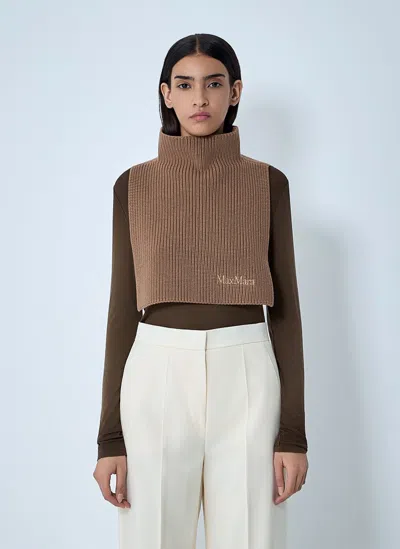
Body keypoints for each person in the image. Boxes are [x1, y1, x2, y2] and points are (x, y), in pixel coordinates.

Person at [93, 32, 308, 549]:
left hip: (248, 376)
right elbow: (122, 310)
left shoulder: (268, 184)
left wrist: (293, 434)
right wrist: (110, 438)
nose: (200, 99)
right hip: (157, 374)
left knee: (252, 539)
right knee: (152, 538)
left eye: (213, 84)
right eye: (185, 85)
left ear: (235, 92)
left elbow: (286, 311)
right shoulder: (133, 186)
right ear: (166, 93)